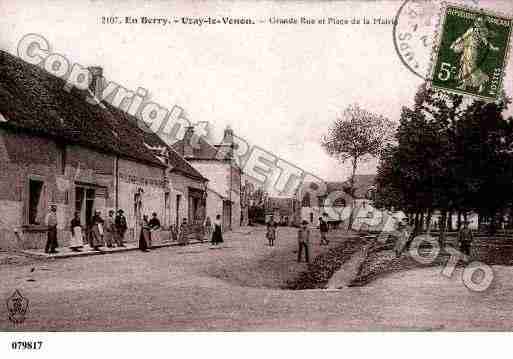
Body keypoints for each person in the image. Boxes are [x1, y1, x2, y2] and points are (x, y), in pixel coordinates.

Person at [450, 16, 500, 93]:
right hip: (466, 49)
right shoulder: (471, 30)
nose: (478, 23)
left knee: (471, 67)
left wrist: (492, 47)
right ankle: (464, 84)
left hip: (473, 50)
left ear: (483, 23)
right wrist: (454, 43)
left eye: (481, 22)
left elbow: (486, 42)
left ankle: (482, 82)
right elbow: (462, 37)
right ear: (476, 22)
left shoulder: (482, 32)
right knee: (464, 66)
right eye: (478, 21)